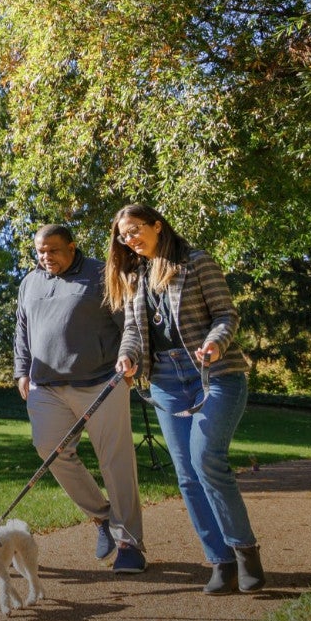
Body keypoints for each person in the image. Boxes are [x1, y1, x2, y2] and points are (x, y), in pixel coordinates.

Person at [106, 204, 265, 595]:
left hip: (215, 375)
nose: (130, 240)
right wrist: (128, 356)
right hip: (165, 379)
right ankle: (220, 561)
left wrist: (213, 343)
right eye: (123, 236)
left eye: (135, 230)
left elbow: (226, 314)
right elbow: (132, 330)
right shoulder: (135, 276)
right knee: (187, 475)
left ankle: (245, 552)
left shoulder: (196, 262)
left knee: (206, 459)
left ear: (158, 225)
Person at [13, 224, 146, 574]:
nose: (46, 257)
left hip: (101, 382)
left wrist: (131, 358)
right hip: (46, 387)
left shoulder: (102, 274)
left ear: (73, 246)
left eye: (53, 250)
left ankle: (130, 543)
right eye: (40, 252)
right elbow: (22, 330)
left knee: (116, 463)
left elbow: (129, 322)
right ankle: (103, 519)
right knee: (49, 450)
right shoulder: (29, 283)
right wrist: (21, 370)